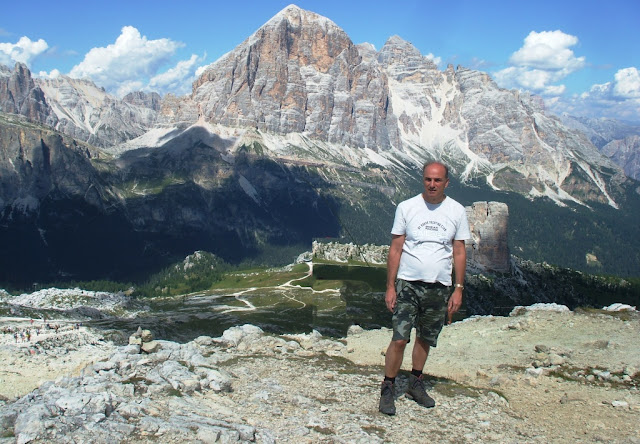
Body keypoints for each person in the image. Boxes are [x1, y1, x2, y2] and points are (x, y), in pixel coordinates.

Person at [379, 161, 471, 415]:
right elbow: (396, 248)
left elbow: (459, 250)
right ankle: (388, 387)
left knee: (425, 338)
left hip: (439, 286)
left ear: (446, 183)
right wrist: (390, 286)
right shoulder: (407, 207)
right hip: (407, 284)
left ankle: (415, 383)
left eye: (437, 180)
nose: (432, 184)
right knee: (399, 338)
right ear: (423, 180)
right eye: (428, 179)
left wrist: (458, 287)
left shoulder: (456, 211)